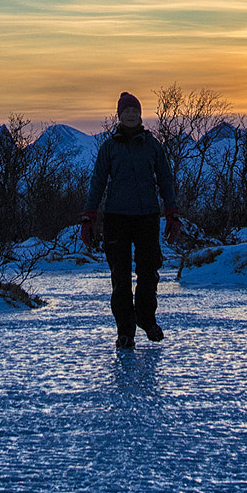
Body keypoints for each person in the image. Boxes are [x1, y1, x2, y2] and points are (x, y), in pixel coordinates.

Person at [80, 92, 182, 350]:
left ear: (140, 115)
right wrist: (89, 217)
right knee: (120, 277)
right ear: (119, 115)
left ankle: (146, 318)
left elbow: (165, 179)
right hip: (116, 218)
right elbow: (98, 182)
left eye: (135, 111)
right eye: (126, 111)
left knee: (149, 272)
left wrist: (171, 213)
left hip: (147, 216)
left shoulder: (152, 145)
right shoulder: (109, 148)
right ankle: (125, 330)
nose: (131, 115)